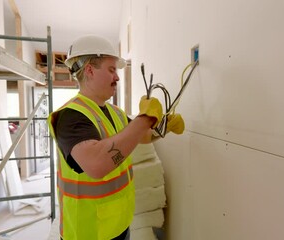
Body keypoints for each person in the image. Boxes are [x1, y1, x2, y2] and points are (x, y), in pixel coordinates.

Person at [47, 35, 184, 240]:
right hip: (88, 232)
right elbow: (97, 165)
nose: (117, 77)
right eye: (111, 69)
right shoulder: (71, 116)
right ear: (90, 70)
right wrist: (145, 118)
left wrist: (163, 126)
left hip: (118, 223)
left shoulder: (114, 112)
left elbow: (141, 136)